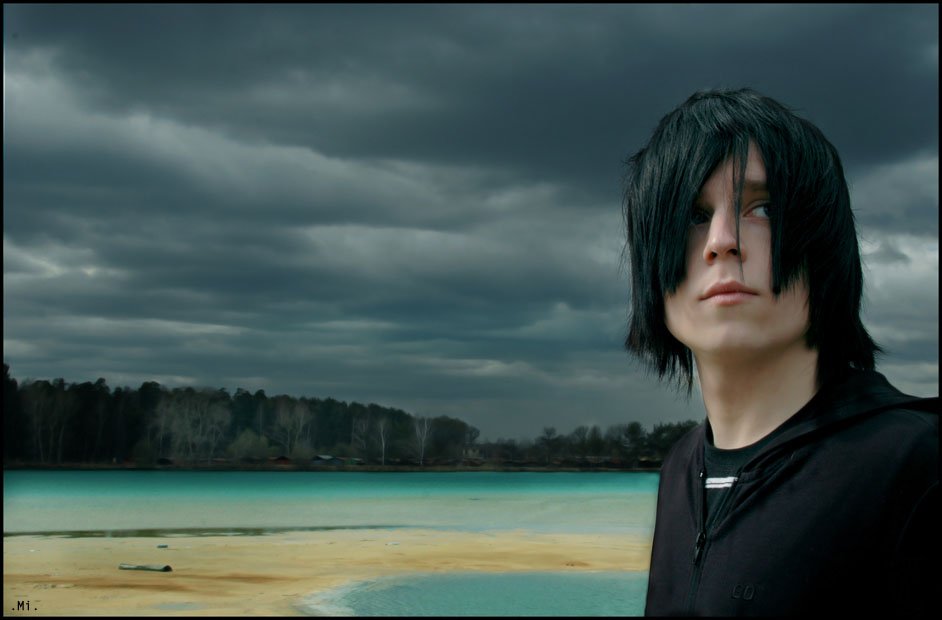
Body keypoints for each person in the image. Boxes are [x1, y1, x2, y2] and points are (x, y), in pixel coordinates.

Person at [621, 88, 939, 616]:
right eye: (693, 215)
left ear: (826, 246)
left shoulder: (917, 464)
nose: (722, 241)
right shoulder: (681, 466)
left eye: (762, 209)